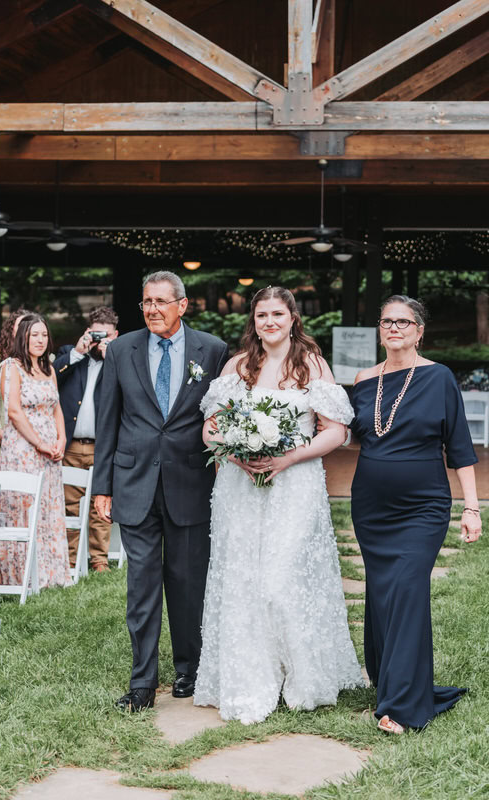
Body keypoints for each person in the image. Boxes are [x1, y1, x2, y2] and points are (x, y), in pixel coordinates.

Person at [193, 286, 364, 725]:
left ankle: (301, 677)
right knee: (245, 580)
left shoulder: (311, 364)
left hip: (296, 485)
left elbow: (336, 430)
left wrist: (289, 456)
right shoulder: (236, 366)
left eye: (277, 314)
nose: (269, 321)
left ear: (292, 318)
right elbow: (211, 429)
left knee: (281, 580)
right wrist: (238, 454)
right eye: (261, 314)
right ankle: (251, 675)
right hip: (240, 489)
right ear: (253, 321)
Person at [92, 270, 228, 712]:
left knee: (189, 585)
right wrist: (102, 487)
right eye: (146, 302)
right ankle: (143, 683)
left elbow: (220, 416)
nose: (151, 309)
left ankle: (189, 669)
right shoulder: (120, 349)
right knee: (142, 585)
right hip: (134, 483)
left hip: (190, 484)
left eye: (160, 302)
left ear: (182, 305)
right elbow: (107, 421)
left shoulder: (212, 350)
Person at [349, 295, 482, 734]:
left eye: (404, 322)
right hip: (372, 508)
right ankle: (391, 681)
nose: (394, 329)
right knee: (383, 594)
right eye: (387, 321)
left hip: (423, 506)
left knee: (407, 591)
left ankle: (401, 707)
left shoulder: (439, 378)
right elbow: (351, 436)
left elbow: (459, 446)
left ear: (419, 331)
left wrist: (472, 507)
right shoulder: (364, 379)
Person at [0, 314, 72, 589]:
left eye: (44, 335)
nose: (40, 340)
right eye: (34, 335)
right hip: (23, 450)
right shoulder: (10, 366)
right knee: (23, 511)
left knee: (49, 509)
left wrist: (61, 439)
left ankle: (52, 576)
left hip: (51, 450)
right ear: (22, 337)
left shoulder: (48, 368)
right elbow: (13, 411)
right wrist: (40, 443)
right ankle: (20, 577)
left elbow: (57, 408)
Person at [53, 307, 119, 573]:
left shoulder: (120, 360)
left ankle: (99, 560)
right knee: (69, 506)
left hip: (103, 448)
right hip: (71, 446)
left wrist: (112, 357)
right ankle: (70, 560)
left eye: (106, 334)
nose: (99, 338)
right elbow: (51, 379)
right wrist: (78, 352)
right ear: (87, 332)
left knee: (101, 505)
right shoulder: (69, 354)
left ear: (116, 335)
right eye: (95, 332)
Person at [0, 308, 31, 463]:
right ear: (11, 331)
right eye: (20, 328)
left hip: (33, 438)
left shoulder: (47, 363)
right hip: (1, 435)